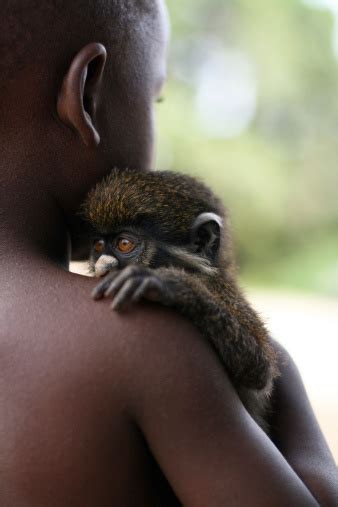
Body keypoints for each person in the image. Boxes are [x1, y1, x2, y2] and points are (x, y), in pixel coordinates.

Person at [0, 1, 337, 505]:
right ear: (87, 93)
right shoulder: (141, 334)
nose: (109, 264)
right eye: (155, 98)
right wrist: (282, 381)